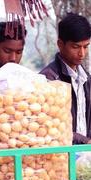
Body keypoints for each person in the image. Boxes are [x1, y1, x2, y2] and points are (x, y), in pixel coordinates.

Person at [40, 13, 91, 144]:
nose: (82, 53)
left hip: (86, 156)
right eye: (75, 47)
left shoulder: (87, 79)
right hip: (61, 155)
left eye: (86, 46)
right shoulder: (48, 79)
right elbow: (50, 126)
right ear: (60, 44)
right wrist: (85, 141)